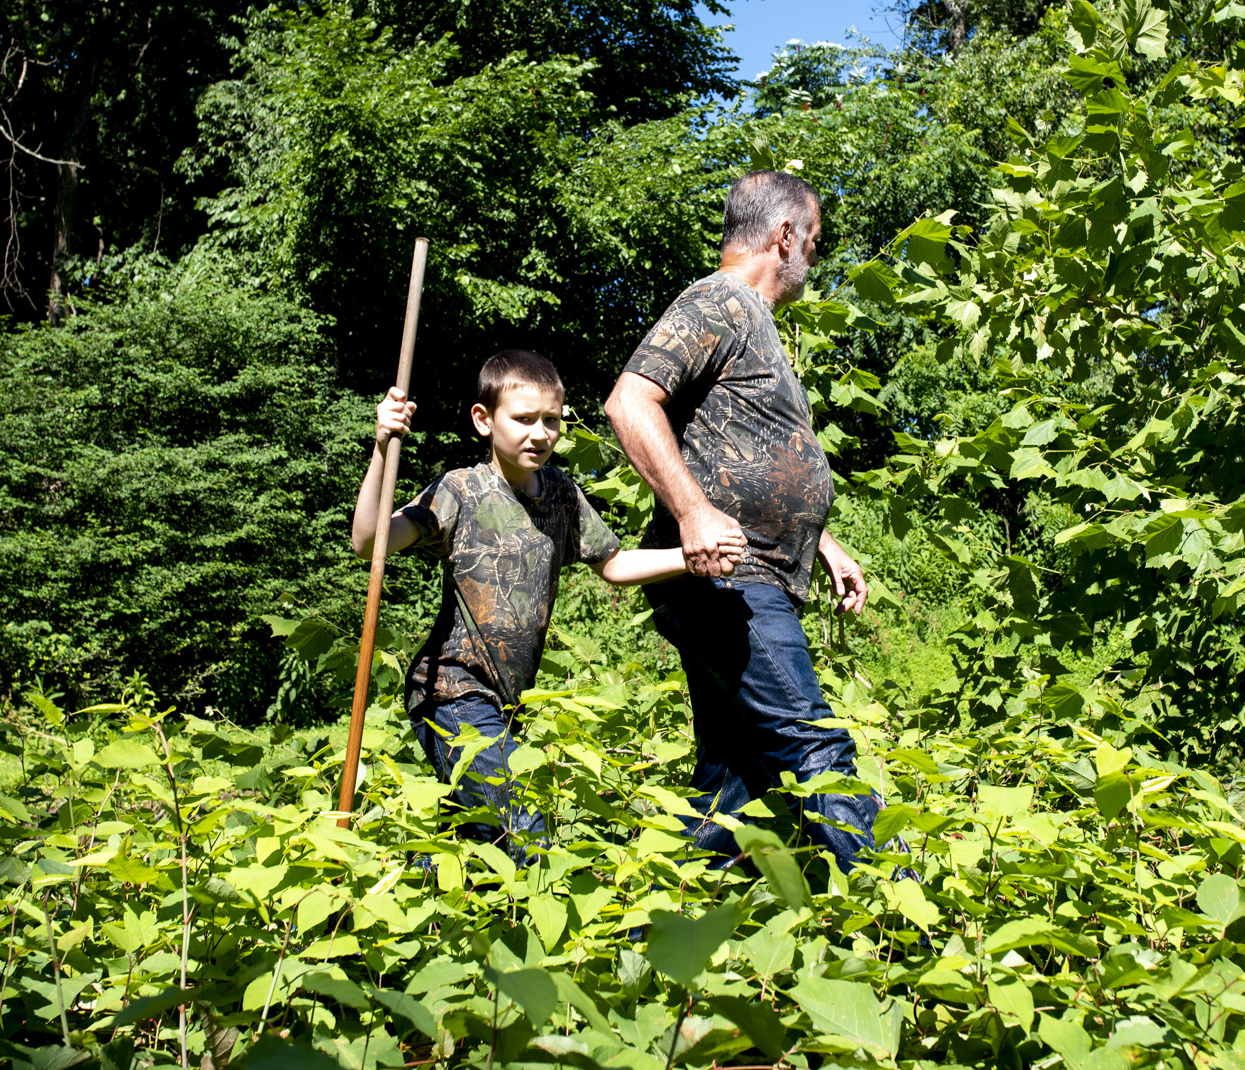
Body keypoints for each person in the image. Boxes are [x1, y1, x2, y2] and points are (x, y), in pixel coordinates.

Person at [353, 349, 740, 861]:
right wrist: (383, 447)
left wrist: (689, 556)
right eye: (523, 419)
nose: (540, 433)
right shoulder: (461, 490)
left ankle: (401, 910)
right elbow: (368, 541)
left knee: (474, 847)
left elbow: (614, 563)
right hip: (450, 692)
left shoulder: (560, 492)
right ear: (483, 420)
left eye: (551, 421)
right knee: (524, 820)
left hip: (508, 701)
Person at [604, 171, 887, 874]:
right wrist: (693, 513)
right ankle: (911, 916)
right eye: (814, 244)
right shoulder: (717, 301)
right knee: (813, 742)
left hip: (751, 572)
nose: (813, 261)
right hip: (729, 578)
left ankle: (671, 940)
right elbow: (629, 403)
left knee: (735, 787)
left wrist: (820, 538)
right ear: (783, 236)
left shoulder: (753, 323)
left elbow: (740, 450)